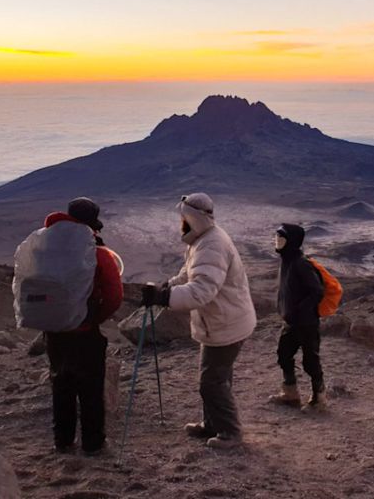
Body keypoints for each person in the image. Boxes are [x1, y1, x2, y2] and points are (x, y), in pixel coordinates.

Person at [141, 193, 257, 449]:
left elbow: (201, 290)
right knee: (218, 377)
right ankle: (213, 424)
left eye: (183, 218)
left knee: (211, 382)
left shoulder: (212, 245)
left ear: (192, 218)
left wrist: (163, 297)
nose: (180, 223)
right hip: (222, 322)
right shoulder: (202, 241)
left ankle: (230, 433)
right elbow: (189, 274)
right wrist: (167, 286)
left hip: (226, 324)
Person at [45, 197, 124, 455]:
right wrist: (94, 317)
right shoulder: (97, 254)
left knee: (61, 384)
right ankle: (93, 443)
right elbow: (114, 295)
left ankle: (63, 441)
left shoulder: (43, 248)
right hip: (85, 332)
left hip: (54, 331)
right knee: (90, 389)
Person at [268, 224, 327, 413]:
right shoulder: (287, 260)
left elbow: (317, 291)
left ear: (292, 242)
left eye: (281, 239)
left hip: (306, 323)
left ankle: (319, 399)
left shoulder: (301, 263)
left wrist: (300, 310)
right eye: (276, 238)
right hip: (291, 322)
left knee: (310, 361)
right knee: (284, 355)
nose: (277, 243)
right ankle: (290, 393)